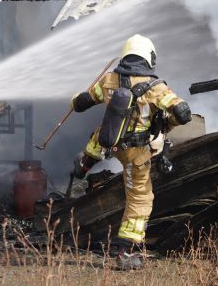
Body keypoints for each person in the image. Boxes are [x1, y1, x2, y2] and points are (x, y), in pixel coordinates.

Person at [71, 34, 192, 270]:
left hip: (107, 142)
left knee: (105, 130)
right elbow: (183, 113)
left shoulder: (108, 80)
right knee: (141, 198)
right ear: (149, 58)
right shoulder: (156, 88)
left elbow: (82, 101)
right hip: (134, 152)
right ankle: (125, 251)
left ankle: (87, 161)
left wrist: (78, 101)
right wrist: (168, 122)